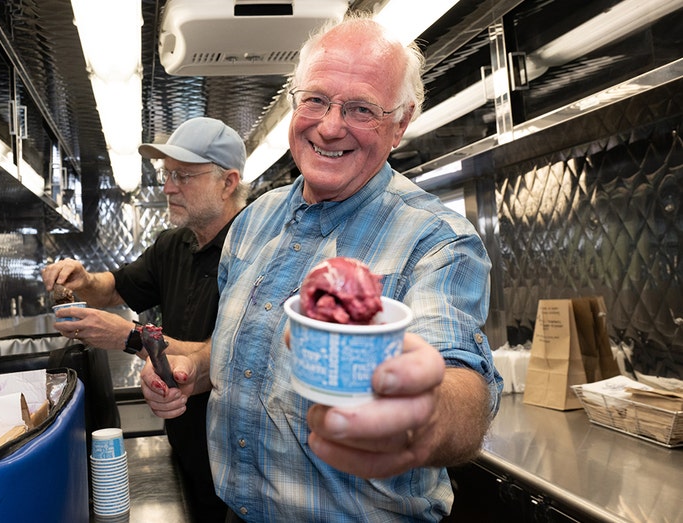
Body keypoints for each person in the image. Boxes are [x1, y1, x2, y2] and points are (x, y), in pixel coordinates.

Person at [138, 13, 503, 522]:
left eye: (361, 109)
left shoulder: (437, 241)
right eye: (315, 100)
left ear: (400, 124)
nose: (330, 127)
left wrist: (419, 413)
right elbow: (236, 352)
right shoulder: (252, 223)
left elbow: (462, 387)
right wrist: (193, 369)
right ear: (295, 102)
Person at [42, 117, 248, 523]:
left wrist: (131, 337)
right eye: (166, 174)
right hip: (186, 443)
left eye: (183, 176)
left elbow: (227, 356)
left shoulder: (252, 251)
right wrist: (84, 280)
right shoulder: (174, 244)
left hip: (235, 461)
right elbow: (116, 288)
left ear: (228, 183)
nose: (168, 187)